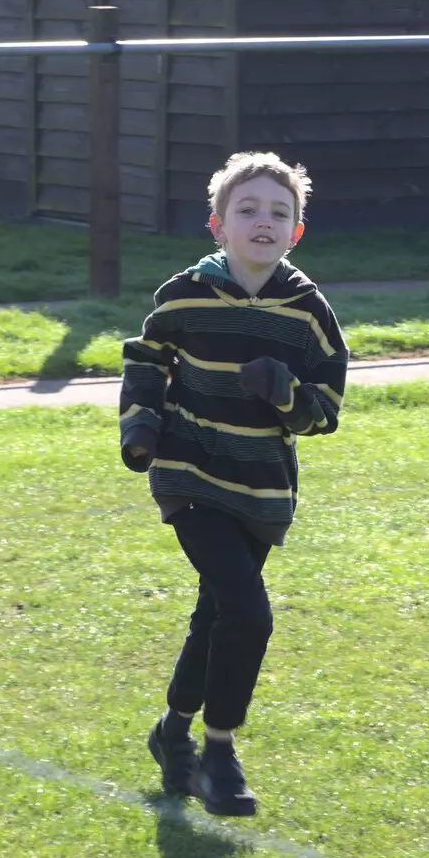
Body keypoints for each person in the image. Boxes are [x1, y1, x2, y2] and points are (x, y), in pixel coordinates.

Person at [118, 151, 349, 817]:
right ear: (218, 224)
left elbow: (325, 409)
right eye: (247, 209)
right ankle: (219, 753)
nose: (263, 221)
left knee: (214, 614)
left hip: (261, 486)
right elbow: (146, 362)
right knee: (248, 611)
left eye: (280, 212)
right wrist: (141, 429)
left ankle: (173, 733)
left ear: (297, 231)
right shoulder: (184, 292)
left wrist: (286, 395)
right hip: (189, 476)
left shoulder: (308, 311)